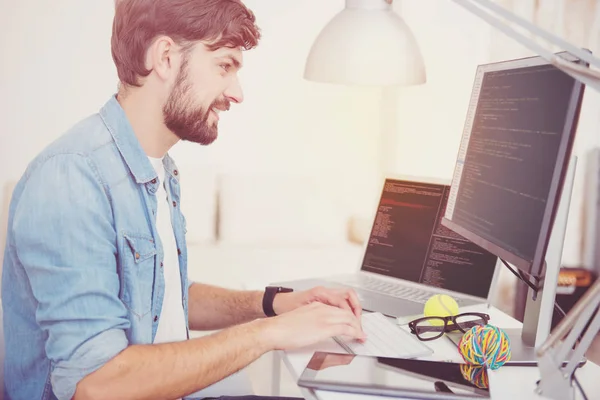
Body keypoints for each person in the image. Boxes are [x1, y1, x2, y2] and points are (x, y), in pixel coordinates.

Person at [0, 1, 367, 399]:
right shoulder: (72, 178)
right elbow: (98, 385)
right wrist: (269, 333)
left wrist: (274, 304)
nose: (237, 94)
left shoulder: (158, 168)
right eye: (224, 66)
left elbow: (163, 296)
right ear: (166, 57)